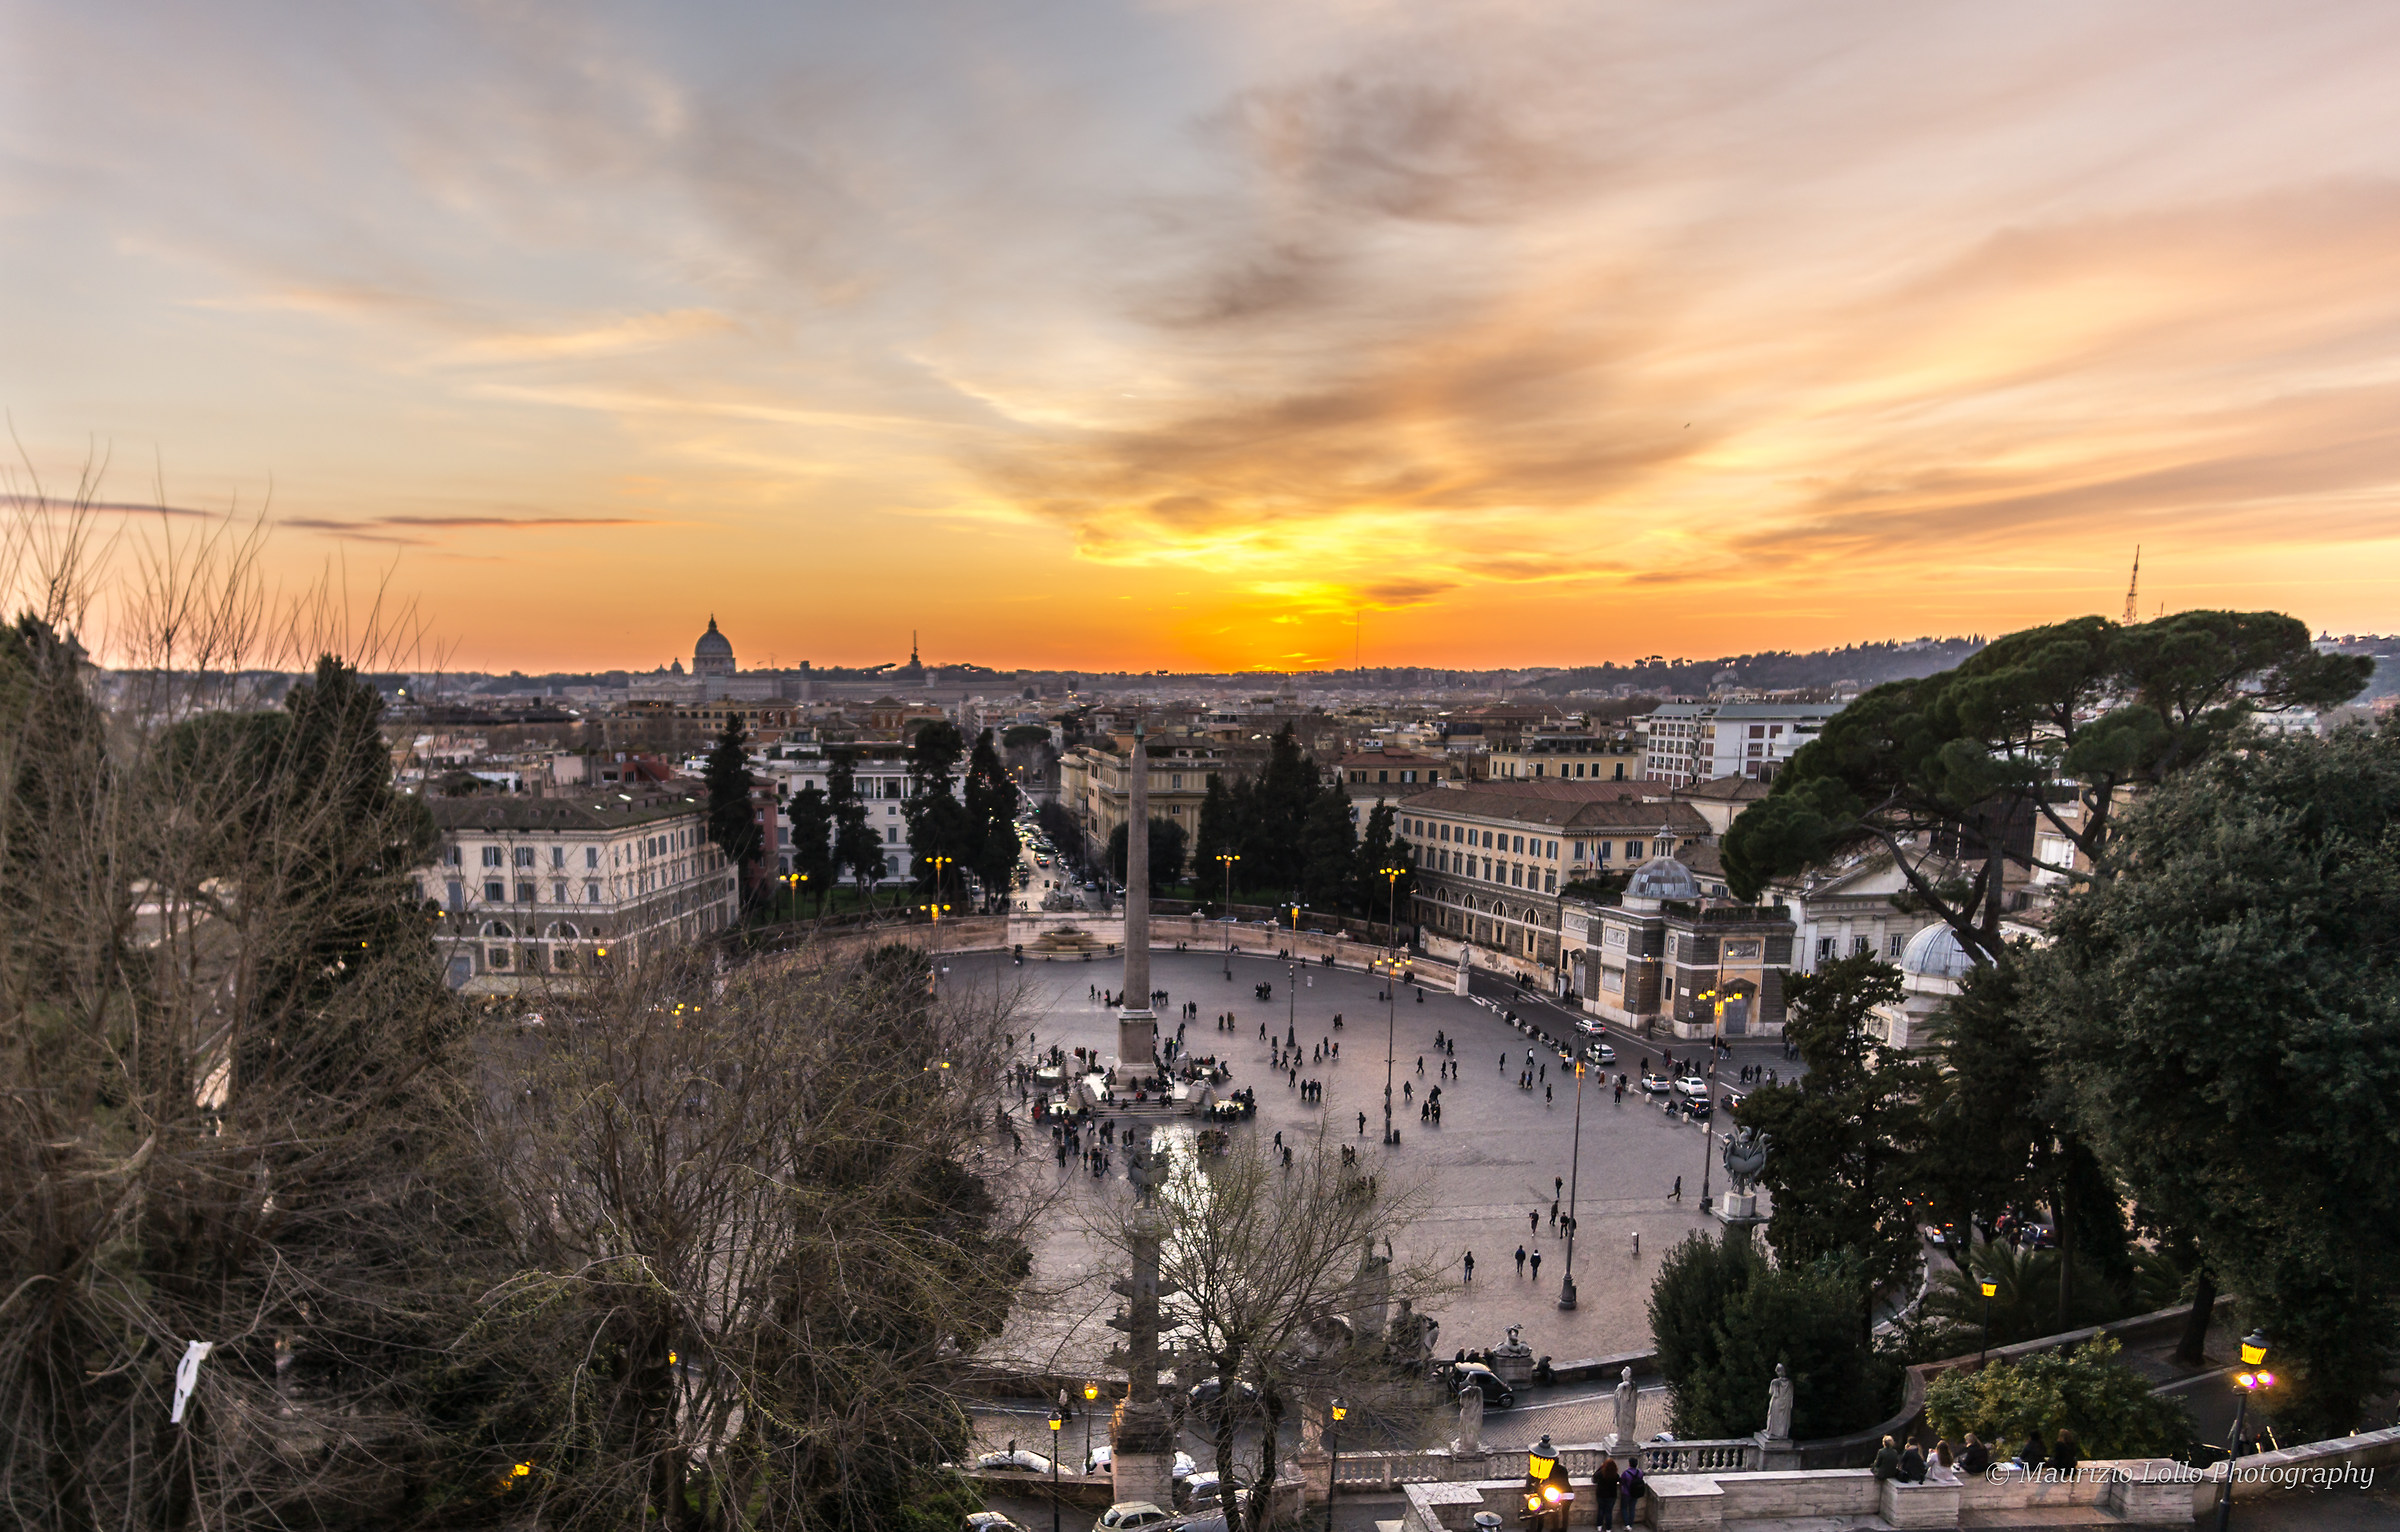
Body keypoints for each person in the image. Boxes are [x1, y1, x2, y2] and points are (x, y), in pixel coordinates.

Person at [1592, 1454, 1622, 1530]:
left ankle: (1599, 1526)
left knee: (1601, 1510)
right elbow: (1620, 1481)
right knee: (1609, 1512)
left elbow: (1594, 1479)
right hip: (1612, 1496)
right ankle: (1608, 1528)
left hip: (1601, 1495)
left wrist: (1600, 1467)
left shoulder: (1601, 1474)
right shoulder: (1615, 1475)